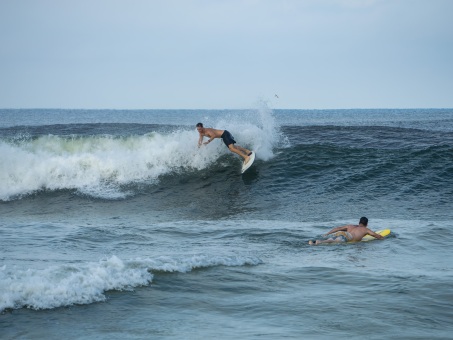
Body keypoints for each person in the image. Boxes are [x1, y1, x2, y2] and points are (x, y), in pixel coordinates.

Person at [308, 217, 384, 245]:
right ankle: (318, 242)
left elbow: (338, 228)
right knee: (332, 242)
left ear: (359, 222)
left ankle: (315, 242)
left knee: (330, 240)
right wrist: (384, 238)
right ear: (366, 224)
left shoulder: (350, 226)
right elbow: (376, 236)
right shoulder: (366, 230)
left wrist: (327, 233)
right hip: (348, 237)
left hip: (342, 233)